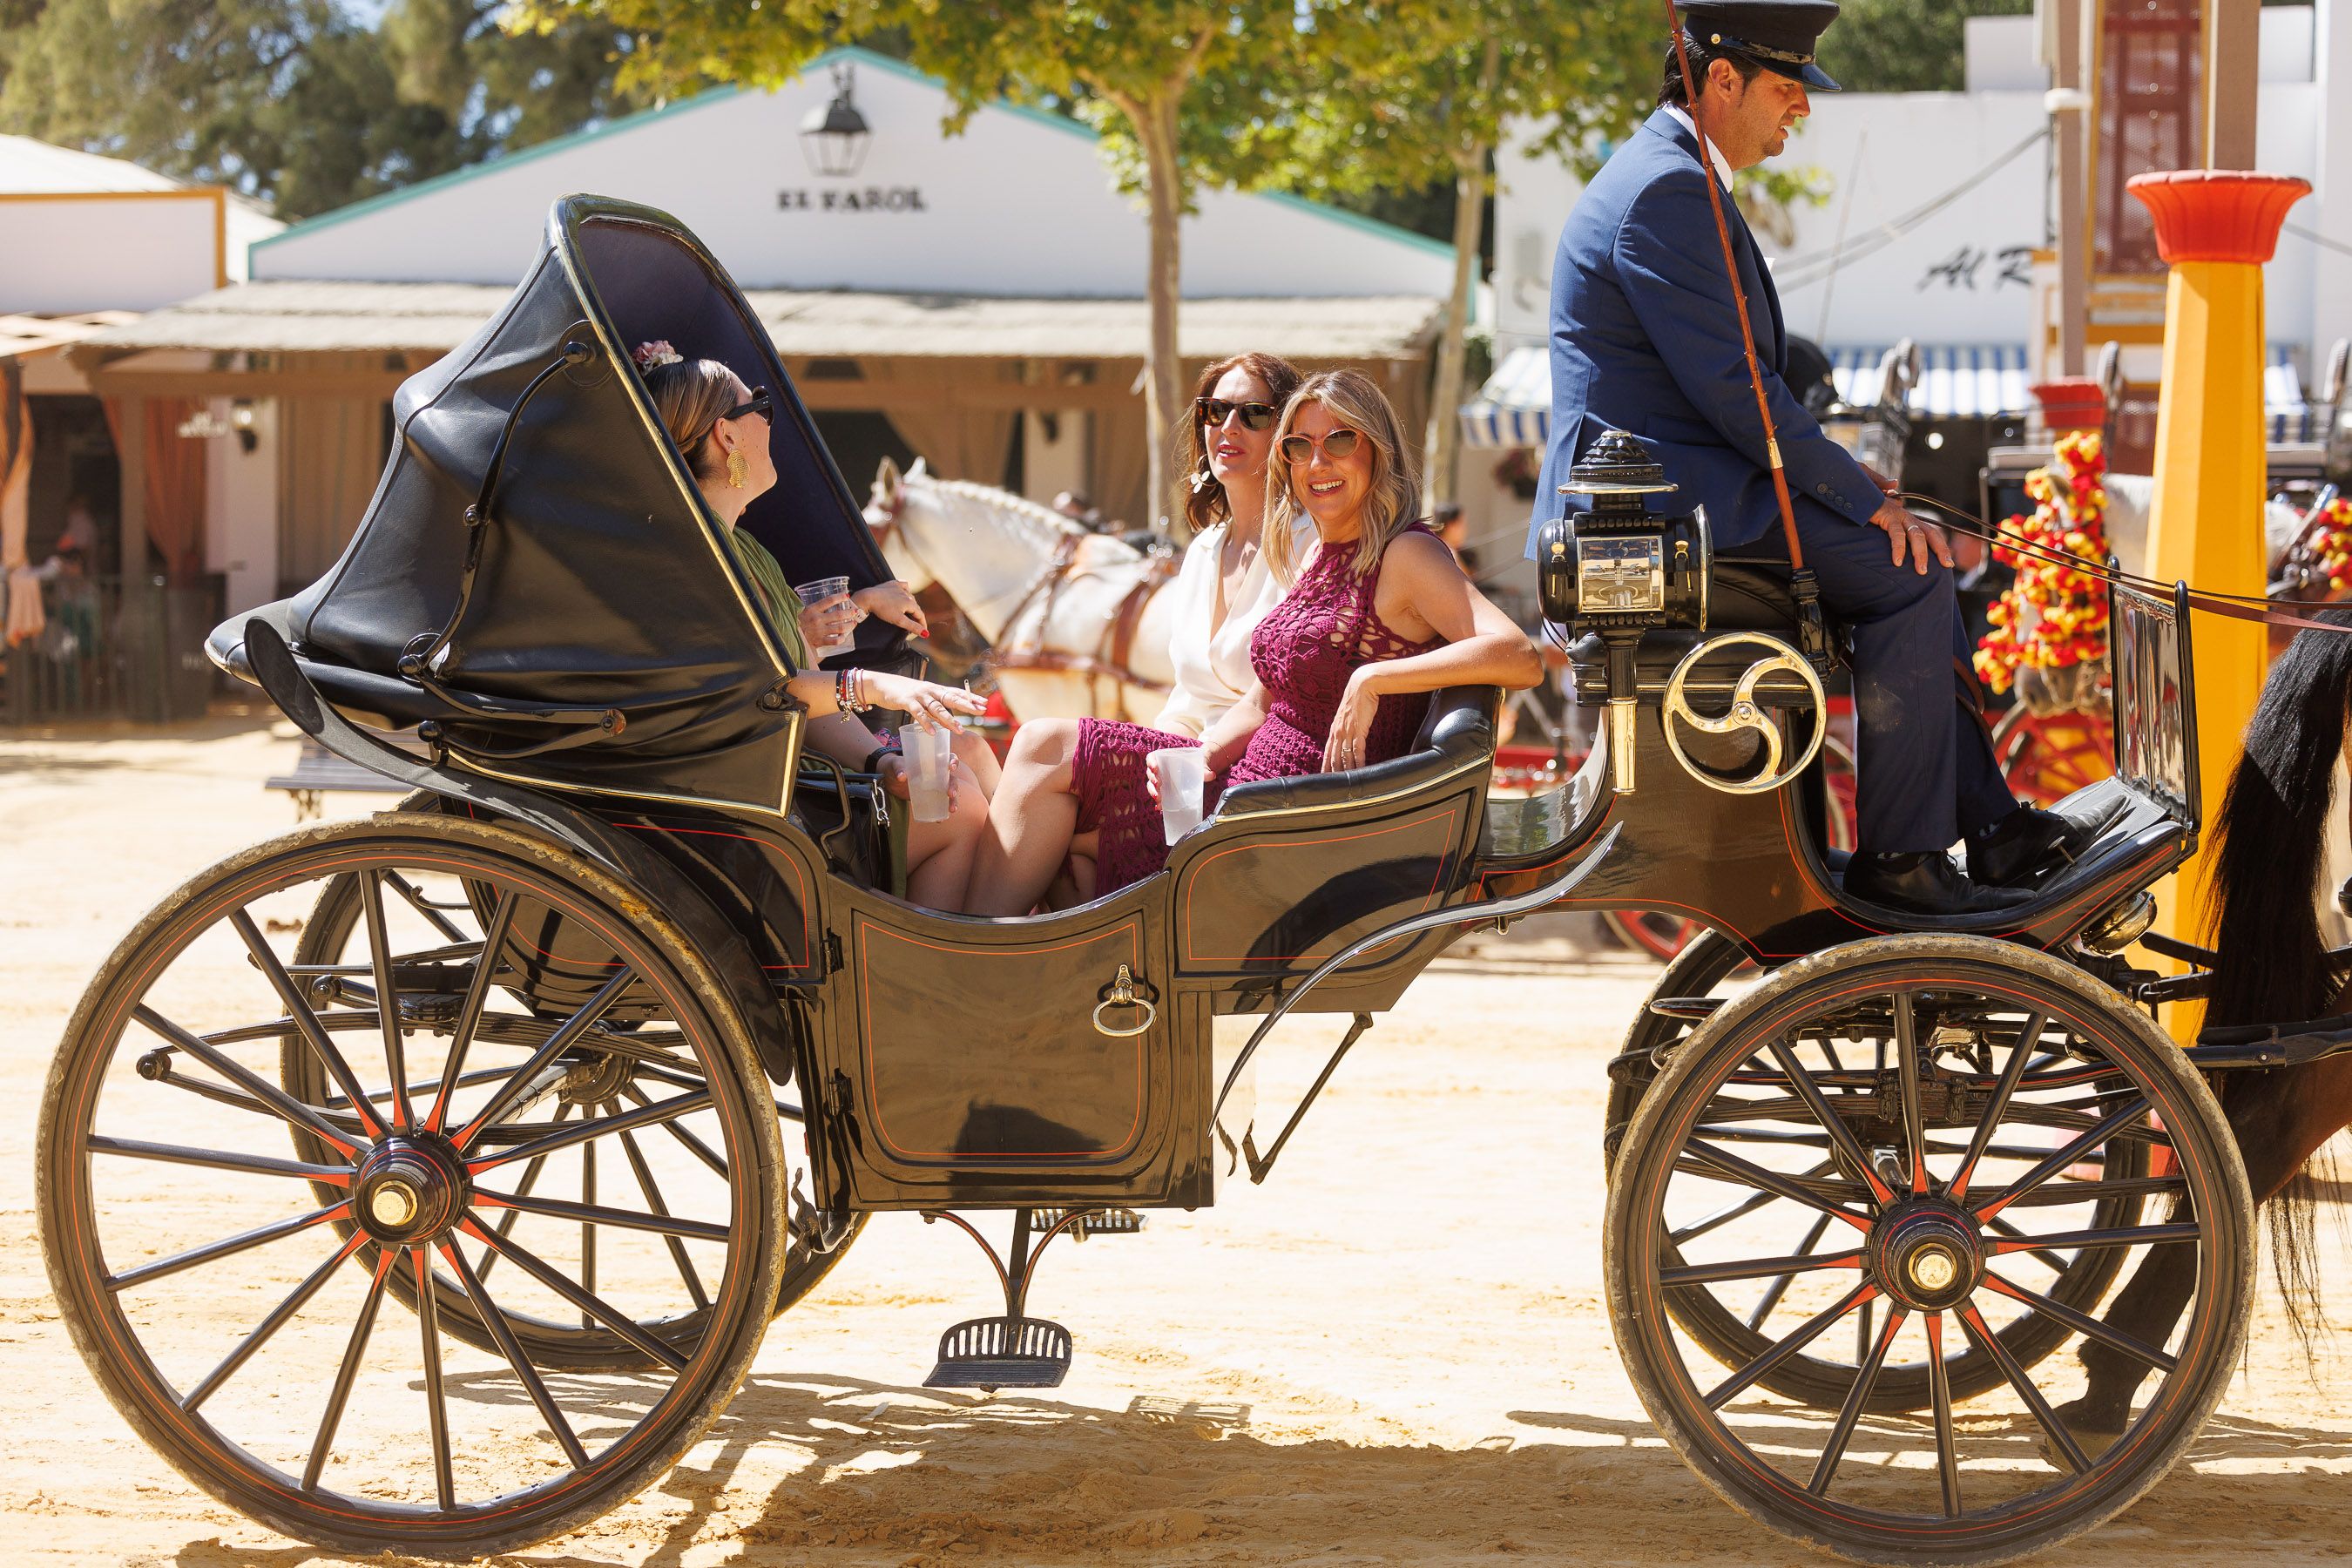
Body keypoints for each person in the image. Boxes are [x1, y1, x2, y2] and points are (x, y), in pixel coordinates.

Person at [1525, 0, 2104, 916]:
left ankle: (1989, 828)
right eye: (1788, 87)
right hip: (1649, 520)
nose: (1802, 109)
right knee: (1908, 572)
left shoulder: (1672, 177)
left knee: (1910, 559)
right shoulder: (1664, 191)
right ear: (1721, 79)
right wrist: (1857, 496)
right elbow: (1736, 389)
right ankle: (1903, 860)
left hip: (1680, 500)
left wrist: (1850, 481)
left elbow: (1738, 385)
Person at [962, 368, 1543, 916]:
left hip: (1293, 821)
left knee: (1044, 745)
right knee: (1067, 841)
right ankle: (1058, 995)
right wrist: (1204, 753)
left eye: (1339, 441)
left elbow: (1518, 656)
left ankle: (962, 956)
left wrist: (1374, 679)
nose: (1318, 462)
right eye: (1299, 446)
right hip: (1243, 791)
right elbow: (1266, 700)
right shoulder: (1317, 552)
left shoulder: (1406, 553)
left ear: (1377, 451)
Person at [635, 343, 989, 907]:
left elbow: (801, 689)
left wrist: (884, 761)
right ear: (727, 436)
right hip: (753, 800)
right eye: (761, 408)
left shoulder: (746, 550)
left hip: (786, 776)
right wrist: (878, 684)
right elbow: (769, 692)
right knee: (959, 805)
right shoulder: (689, 562)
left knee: (960, 759)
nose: (768, 422)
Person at [957, 352, 1305, 914]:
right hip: (1186, 773)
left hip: (1253, 772)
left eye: (1254, 414)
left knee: (1043, 743)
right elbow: (1187, 696)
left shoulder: (1309, 544)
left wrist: (1189, 752)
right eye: (1216, 411)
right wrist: (1160, 752)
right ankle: (1009, 965)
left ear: (1287, 433)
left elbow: (1296, 684)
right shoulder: (1204, 552)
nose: (1229, 427)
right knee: (992, 778)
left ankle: (970, 947)